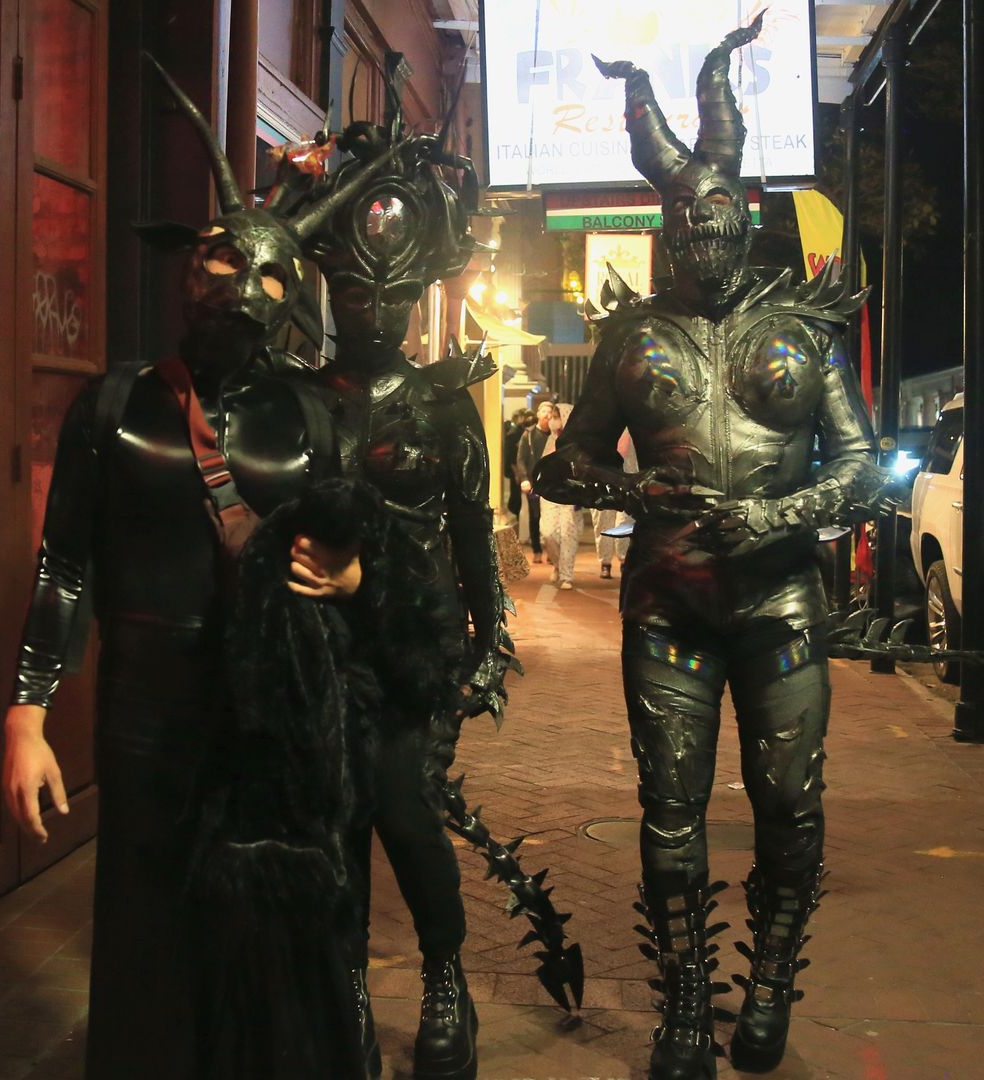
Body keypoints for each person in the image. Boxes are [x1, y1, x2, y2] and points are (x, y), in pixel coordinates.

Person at [0, 57, 404, 1078]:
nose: (247, 288)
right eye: (228, 261)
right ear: (190, 264)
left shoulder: (315, 416)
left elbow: (376, 556)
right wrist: (26, 713)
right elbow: (65, 564)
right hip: (148, 713)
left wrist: (354, 585)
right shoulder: (116, 404)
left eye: (273, 274)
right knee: (144, 930)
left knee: (271, 941)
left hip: (273, 716)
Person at [534, 17, 890, 1078]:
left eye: (723, 218)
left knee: (790, 804)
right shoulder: (631, 337)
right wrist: (637, 488)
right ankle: (686, 998)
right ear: (668, 227)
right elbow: (563, 467)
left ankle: (772, 973)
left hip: (781, 603)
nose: (707, 237)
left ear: (748, 220)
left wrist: (779, 516)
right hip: (670, 605)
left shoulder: (803, 333)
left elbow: (864, 466)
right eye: (689, 222)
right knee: (671, 808)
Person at [292, 63, 520, 1080]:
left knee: (400, 804)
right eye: (351, 287)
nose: (371, 306)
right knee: (329, 817)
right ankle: (339, 984)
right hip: (314, 652)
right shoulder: (292, 402)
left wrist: (487, 638)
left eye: (389, 288)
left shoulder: (440, 407)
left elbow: (473, 540)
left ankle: (443, 976)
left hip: (414, 651)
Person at [535, 402, 581, 590]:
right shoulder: (551, 440)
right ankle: (556, 563)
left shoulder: (577, 442)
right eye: (553, 417)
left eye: (557, 416)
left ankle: (566, 574)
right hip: (549, 494)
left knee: (568, 533)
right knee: (548, 533)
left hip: (569, 494)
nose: (554, 421)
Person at [592, 429, 638, 579]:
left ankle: (624, 559)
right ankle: (605, 562)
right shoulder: (603, 427)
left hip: (629, 481)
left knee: (624, 521)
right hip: (604, 482)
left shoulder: (635, 428)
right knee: (603, 524)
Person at [513, 404, 553, 561]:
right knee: (535, 516)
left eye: (550, 412)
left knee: (551, 518)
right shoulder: (528, 435)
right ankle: (537, 549)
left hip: (551, 482)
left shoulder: (555, 436)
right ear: (538, 414)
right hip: (533, 482)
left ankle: (551, 550)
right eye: (544, 411)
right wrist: (524, 479)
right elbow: (521, 459)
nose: (547, 415)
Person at [502, 407, 533, 519]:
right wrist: (516, 472)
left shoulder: (521, 431)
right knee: (515, 496)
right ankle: (514, 515)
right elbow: (511, 456)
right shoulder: (514, 433)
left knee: (517, 496)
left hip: (519, 468)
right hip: (515, 468)